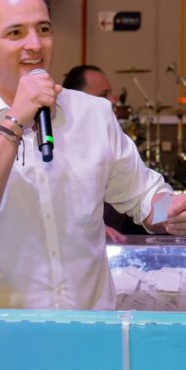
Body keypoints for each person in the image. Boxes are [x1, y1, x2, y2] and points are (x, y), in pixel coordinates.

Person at [0, 0, 186, 310]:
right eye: (15, 33)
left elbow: (143, 196)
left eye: (43, 29)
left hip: (89, 328)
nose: (35, 45)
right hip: (1, 332)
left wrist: (169, 212)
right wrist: (15, 119)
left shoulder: (94, 114)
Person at [62, 64, 141, 242]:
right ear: (75, 97)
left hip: (113, 246)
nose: (112, 100)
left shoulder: (110, 137)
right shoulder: (56, 141)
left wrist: (166, 213)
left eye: (110, 93)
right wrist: (88, 228)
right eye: (104, 95)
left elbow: (142, 192)